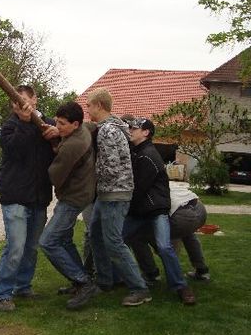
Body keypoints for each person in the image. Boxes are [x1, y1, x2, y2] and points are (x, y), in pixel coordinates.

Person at [84, 88, 152, 308]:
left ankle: (139, 288)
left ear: (99, 106)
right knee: (94, 234)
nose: (87, 109)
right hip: (107, 192)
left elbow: (111, 166)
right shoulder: (112, 127)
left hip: (115, 192)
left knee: (113, 241)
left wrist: (90, 174)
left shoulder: (108, 132)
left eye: (89, 105)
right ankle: (105, 281)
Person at [0, 85, 56, 312]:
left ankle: (23, 286)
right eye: (14, 101)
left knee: (31, 248)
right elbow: (14, 151)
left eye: (22, 100)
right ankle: (3, 293)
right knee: (16, 248)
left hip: (39, 196)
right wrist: (23, 122)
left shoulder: (48, 124)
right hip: (15, 196)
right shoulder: (10, 126)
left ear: (34, 99)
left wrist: (56, 135)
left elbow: (60, 148)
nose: (18, 104)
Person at [122, 118, 196, 305]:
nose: (130, 130)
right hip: (140, 211)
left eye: (134, 128)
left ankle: (181, 286)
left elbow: (138, 189)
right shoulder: (137, 151)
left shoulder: (148, 155)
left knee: (164, 246)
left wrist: (123, 209)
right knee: (120, 239)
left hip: (155, 211)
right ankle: (146, 274)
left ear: (146, 132)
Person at [38, 102, 98, 309]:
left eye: (62, 124)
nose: (57, 126)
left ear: (75, 124)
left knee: (48, 241)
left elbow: (55, 175)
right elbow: (92, 126)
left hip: (74, 197)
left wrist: (54, 145)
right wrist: (60, 133)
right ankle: (79, 281)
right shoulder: (84, 130)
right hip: (81, 193)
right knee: (63, 240)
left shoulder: (72, 146)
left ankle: (83, 281)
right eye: (56, 121)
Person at [128, 187, 210, 282]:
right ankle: (202, 270)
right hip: (199, 208)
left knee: (137, 236)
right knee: (188, 233)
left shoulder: (143, 191)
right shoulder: (161, 183)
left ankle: (151, 274)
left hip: (181, 215)